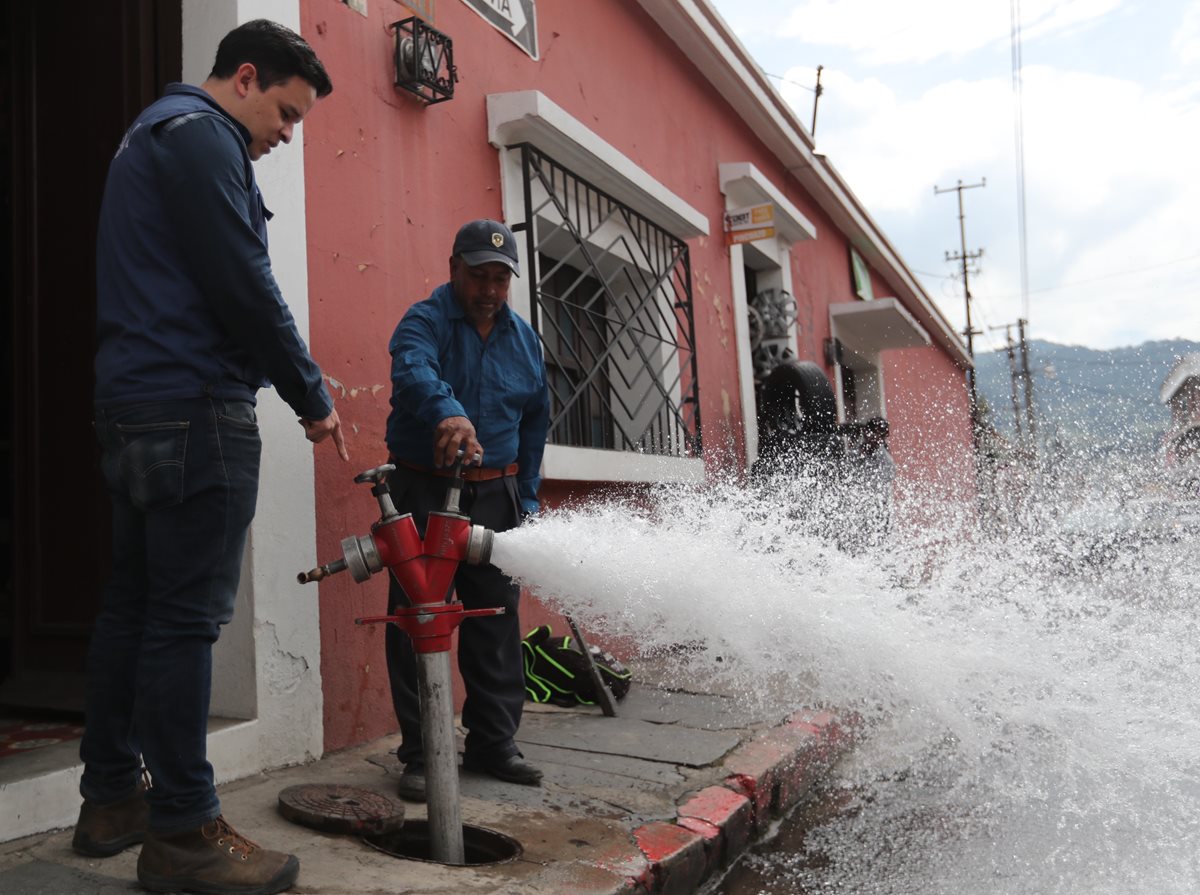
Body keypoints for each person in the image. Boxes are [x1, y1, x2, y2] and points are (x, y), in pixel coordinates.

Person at [74, 20, 347, 895]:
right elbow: (242, 281)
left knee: (134, 609)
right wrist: (311, 395)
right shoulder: (204, 138)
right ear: (243, 77)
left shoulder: (151, 134)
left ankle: (113, 796)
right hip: (194, 410)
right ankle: (185, 832)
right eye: (287, 112)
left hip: (136, 407)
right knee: (186, 621)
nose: (287, 134)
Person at [384, 219, 550, 802]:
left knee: (496, 618)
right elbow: (412, 371)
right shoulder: (424, 321)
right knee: (417, 620)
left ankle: (493, 744)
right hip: (425, 490)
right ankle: (422, 752)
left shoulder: (526, 340)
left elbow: (535, 422)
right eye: (479, 275)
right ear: (454, 266)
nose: (489, 288)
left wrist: (526, 496)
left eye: (500, 278)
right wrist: (450, 413)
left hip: (498, 493)